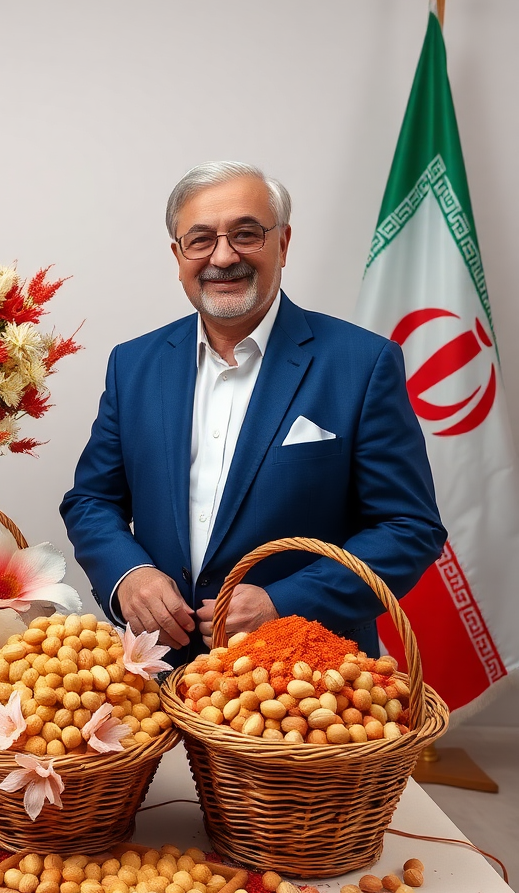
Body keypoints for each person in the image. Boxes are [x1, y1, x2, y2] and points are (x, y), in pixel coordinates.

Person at [60, 161, 446, 663]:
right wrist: (127, 575)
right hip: (158, 667)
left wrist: (285, 603)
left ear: (283, 244)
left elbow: (409, 527)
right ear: (177, 256)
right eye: (200, 240)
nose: (223, 256)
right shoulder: (132, 365)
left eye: (246, 234)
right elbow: (91, 500)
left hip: (306, 682)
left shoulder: (362, 363)